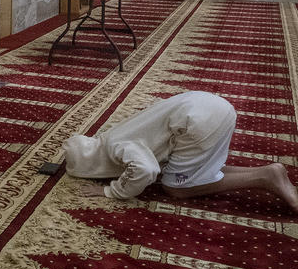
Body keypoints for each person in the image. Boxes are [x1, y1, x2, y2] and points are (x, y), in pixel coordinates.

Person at [63, 90, 298, 213]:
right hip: (211, 107)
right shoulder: (109, 138)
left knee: (175, 188)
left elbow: (146, 170)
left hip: (196, 123)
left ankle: (263, 178)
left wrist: (110, 191)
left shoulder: (116, 147)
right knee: (202, 169)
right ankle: (269, 172)